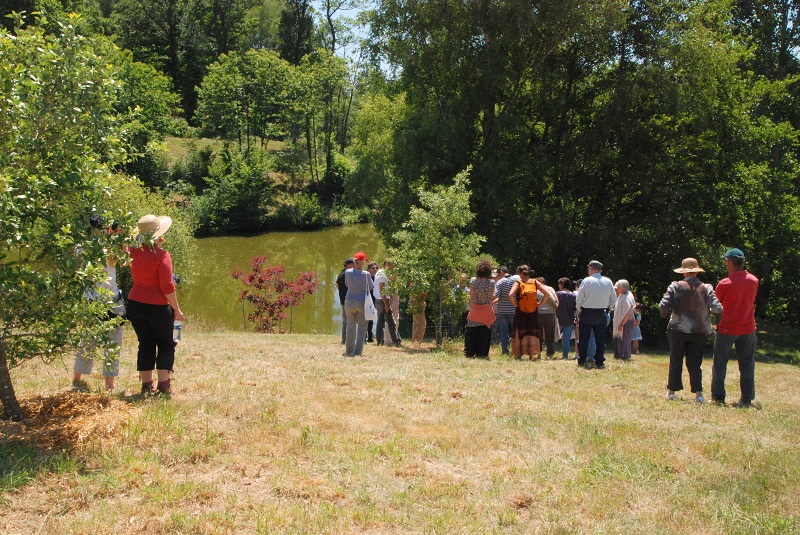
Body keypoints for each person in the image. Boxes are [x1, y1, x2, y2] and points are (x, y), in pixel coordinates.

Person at [126, 214, 185, 396]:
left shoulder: (131, 252)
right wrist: (176, 309)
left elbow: (142, 271)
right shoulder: (162, 256)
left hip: (135, 304)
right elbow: (167, 286)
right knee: (166, 344)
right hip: (158, 307)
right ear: (158, 236)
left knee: (145, 343)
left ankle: (146, 386)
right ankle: (164, 385)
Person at [72, 215, 125, 393]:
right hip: (110, 300)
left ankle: (77, 379)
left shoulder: (80, 247)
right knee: (112, 343)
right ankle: (109, 385)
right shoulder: (108, 248)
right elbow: (120, 260)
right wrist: (116, 239)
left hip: (91, 301)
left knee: (87, 341)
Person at [659, 258, 723, 403]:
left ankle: (671, 392)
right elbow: (718, 308)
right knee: (695, 363)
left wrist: (664, 315)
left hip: (677, 329)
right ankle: (698, 395)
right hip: (699, 330)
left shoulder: (675, 286)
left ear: (684, 272)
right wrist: (710, 316)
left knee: (675, 360)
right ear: (696, 272)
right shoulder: (706, 288)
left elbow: (663, 305)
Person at [711, 248, 759, 407]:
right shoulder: (753, 281)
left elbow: (715, 306)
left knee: (720, 363)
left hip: (727, 329)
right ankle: (747, 399)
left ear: (729, 262)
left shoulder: (724, 283)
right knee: (747, 364)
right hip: (748, 328)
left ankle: (718, 397)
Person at [575, 260, 616, 369]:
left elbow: (579, 298)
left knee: (584, 338)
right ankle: (599, 361)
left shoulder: (587, 281)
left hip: (587, 312)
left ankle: (582, 360)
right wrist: (608, 309)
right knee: (600, 339)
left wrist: (578, 310)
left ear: (592, 269)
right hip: (601, 312)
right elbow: (614, 298)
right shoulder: (608, 281)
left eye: (589, 268)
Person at [509, 265, 546, 360]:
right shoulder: (535, 282)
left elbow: (511, 294)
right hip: (533, 311)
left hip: (521, 311)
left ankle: (518, 353)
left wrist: (516, 304)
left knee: (519, 330)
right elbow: (547, 294)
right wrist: (539, 304)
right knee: (533, 330)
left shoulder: (518, 282)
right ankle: (532, 354)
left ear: (521, 273)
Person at [464, 259, 496, 358]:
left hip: (474, 308)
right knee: (484, 332)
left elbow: (471, 294)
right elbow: (491, 297)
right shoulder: (491, 282)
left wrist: (472, 306)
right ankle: (482, 354)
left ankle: (469, 352)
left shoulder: (473, 280)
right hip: (486, 309)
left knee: (471, 332)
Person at [344, 252, 373, 356]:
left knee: (350, 326)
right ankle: (357, 352)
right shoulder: (366, 274)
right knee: (362, 327)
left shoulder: (347, 272)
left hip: (349, 302)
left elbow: (347, 284)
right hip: (362, 303)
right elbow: (371, 287)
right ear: (362, 262)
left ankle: (348, 351)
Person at [374, 259, 401, 346]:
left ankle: (379, 341)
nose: (394, 268)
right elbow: (381, 289)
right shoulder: (383, 274)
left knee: (381, 321)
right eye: (393, 266)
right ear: (388, 265)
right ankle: (395, 341)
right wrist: (386, 304)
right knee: (391, 322)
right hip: (383, 300)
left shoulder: (379, 272)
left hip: (378, 299)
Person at [493, 266, 518, 355]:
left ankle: (505, 352)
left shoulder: (500, 282)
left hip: (501, 311)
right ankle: (517, 351)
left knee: (504, 333)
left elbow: (496, 295)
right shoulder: (516, 280)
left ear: (501, 272)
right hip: (513, 310)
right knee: (516, 332)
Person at [612, 279, 636, 361]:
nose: (616, 288)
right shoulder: (623, 295)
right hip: (624, 320)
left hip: (626, 321)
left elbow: (628, 313)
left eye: (618, 286)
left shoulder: (626, 298)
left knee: (624, 338)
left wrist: (621, 324)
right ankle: (621, 355)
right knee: (620, 339)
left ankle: (624, 356)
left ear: (623, 287)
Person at [536, 277, 559, 359]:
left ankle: (538, 353)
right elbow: (557, 301)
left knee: (538, 334)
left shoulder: (535, 290)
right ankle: (550, 354)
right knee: (550, 334)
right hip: (551, 313)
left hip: (538, 313)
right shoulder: (550, 289)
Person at [556, 278, 577, 360]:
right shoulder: (573, 295)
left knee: (555, 337)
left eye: (559, 284)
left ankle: (551, 353)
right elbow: (574, 308)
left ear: (562, 285)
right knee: (566, 339)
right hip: (569, 319)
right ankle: (565, 355)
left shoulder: (558, 294)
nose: (558, 286)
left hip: (559, 318)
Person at [335, 258, 354, 344]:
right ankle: (347, 340)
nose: (354, 265)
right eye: (352, 264)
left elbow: (337, 285)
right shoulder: (347, 274)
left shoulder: (341, 273)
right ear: (348, 265)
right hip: (348, 300)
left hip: (343, 300)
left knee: (345, 321)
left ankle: (344, 340)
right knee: (349, 322)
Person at [365, 262, 379, 343]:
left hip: (374, 301)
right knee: (365, 319)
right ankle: (365, 337)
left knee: (371, 319)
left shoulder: (377, 278)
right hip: (366, 300)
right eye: (373, 268)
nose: (375, 270)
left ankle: (370, 337)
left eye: (376, 268)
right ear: (368, 269)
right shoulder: (366, 277)